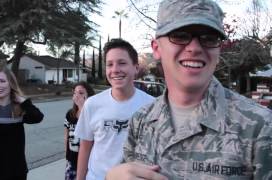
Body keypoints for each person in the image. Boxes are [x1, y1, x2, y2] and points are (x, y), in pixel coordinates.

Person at [106, 0, 272, 179]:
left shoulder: (260, 127)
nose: (194, 48)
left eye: (209, 38)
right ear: (156, 48)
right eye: (180, 35)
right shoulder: (141, 120)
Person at [75, 38, 155, 180]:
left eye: (122, 63)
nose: (115, 70)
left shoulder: (153, 106)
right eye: (109, 64)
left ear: (136, 68)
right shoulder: (92, 104)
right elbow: (85, 147)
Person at [64, 82, 95, 180]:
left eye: (81, 93)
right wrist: (67, 155)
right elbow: (66, 136)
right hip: (72, 160)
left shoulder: (93, 114)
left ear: (88, 95)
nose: (77, 95)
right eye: (75, 93)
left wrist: (83, 107)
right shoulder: (70, 114)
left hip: (88, 161)